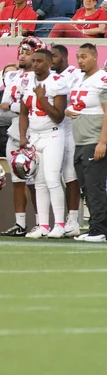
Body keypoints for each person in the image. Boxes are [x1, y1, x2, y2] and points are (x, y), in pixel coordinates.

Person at [19, 49, 68, 238]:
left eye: (39, 61)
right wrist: (23, 136)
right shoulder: (27, 82)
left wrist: (41, 97)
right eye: (34, 61)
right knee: (38, 182)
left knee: (52, 179)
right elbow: (24, 112)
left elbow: (58, 116)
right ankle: (44, 225)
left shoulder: (57, 82)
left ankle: (60, 224)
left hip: (53, 135)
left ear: (49, 64)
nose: (35, 64)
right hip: (35, 136)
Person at [0, 37, 44, 237]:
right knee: (18, 181)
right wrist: (19, 108)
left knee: (36, 182)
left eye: (27, 52)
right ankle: (20, 224)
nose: (22, 55)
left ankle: (40, 223)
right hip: (14, 133)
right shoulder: (11, 77)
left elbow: (37, 107)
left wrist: (17, 107)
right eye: (21, 51)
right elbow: (2, 110)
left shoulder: (42, 77)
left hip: (35, 133)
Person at [66, 43, 107, 242]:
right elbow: (74, 105)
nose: (80, 60)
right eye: (78, 57)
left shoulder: (102, 80)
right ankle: (95, 227)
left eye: (84, 56)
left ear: (94, 56)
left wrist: (103, 142)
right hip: (79, 140)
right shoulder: (80, 79)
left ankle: (100, 229)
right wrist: (67, 111)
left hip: (93, 139)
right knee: (86, 188)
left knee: (95, 186)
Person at [51, 44, 81, 237]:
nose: (50, 60)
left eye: (53, 56)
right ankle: (54, 220)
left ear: (63, 57)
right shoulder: (48, 76)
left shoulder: (75, 74)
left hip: (71, 127)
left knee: (70, 175)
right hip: (53, 127)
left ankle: (73, 219)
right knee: (52, 175)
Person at [0, 62, 18, 157]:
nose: (9, 76)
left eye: (12, 73)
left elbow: (24, 115)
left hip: (16, 135)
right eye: (6, 73)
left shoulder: (21, 93)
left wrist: (11, 107)